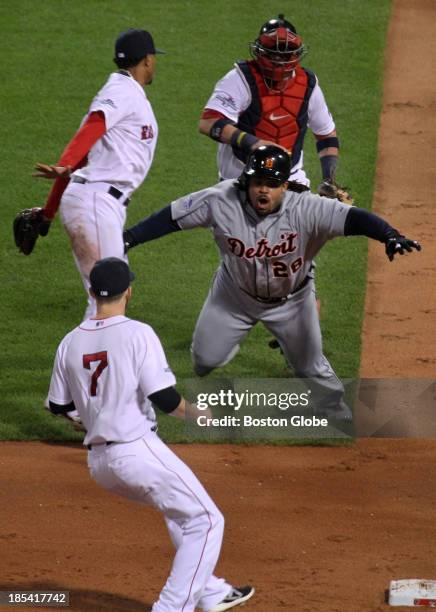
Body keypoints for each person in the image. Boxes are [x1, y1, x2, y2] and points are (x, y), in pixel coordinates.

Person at [123, 146, 421, 418]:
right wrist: (129, 238)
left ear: (285, 186)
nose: (263, 190)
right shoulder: (221, 200)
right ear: (246, 183)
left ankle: (332, 407)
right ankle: (235, 337)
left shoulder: (309, 208)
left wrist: (390, 235)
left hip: (293, 300)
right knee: (203, 361)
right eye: (257, 182)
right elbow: (171, 217)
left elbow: (356, 219)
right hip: (233, 296)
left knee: (309, 366)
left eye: (272, 183)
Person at [46, 257, 255, 612]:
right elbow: (165, 399)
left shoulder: (69, 341)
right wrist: (199, 415)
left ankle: (211, 592)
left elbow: (58, 406)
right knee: (206, 520)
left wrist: (94, 418)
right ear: (129, 290)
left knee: (178, 510)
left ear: (93, 292)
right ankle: (172, 608)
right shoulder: (137, 332)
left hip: (100, 464)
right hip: (136, 451)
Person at [33, 28, 163, 320]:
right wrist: (65, 164)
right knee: (106, 300)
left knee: (116, 295)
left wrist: (48, 212)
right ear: (147, 60)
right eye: (154, 58)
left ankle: (99, 363)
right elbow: (91, 129)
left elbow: (81, 158)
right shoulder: (121, 91)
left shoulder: (124, 94)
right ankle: (82, 365)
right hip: (96, 202)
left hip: (95, 201)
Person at [198, 14, 343, 194]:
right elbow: (208, 123)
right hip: (240, 179)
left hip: (291, 180)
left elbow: (326, 136)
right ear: (260, 51)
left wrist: (329, 179)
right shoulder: (240, 79)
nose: (279, 60)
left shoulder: (308, 84)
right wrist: (254, 143)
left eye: (285, 53)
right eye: (273, 53)